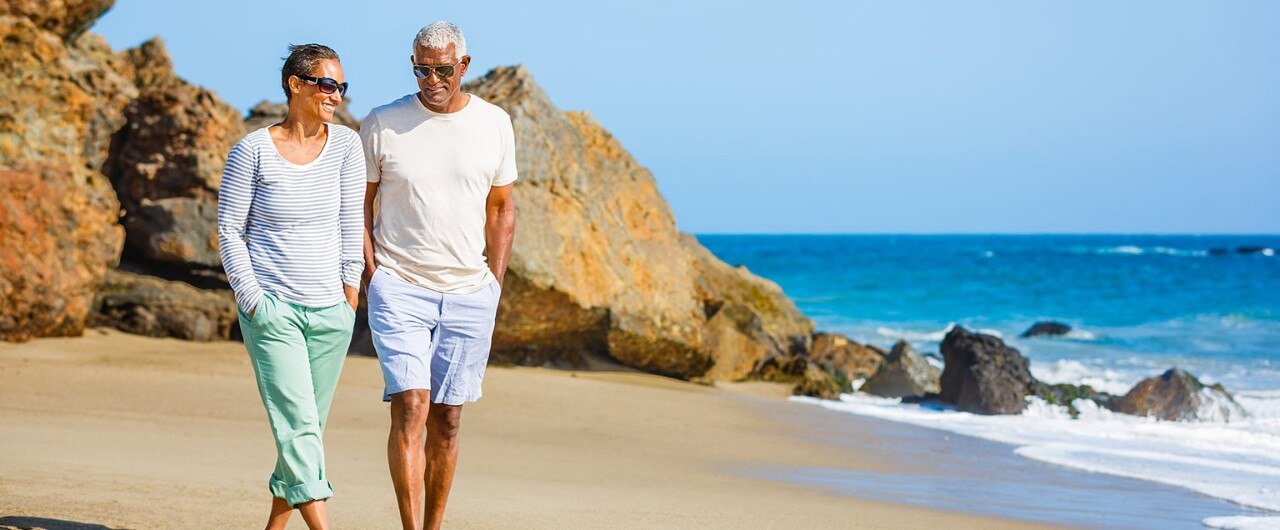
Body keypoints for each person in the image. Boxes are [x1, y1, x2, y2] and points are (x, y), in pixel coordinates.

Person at [360, 21, 518, 530]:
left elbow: (501, 208)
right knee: (411, 404)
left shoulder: (494, 123)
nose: (432, 79)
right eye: (422, 68)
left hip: (471, 291)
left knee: (447, 420)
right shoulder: (383, 123)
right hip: (400, 284)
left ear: (464, 66)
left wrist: (494, 283)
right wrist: (371, 271)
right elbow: (360, 205)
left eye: (442, 69)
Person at [216, 43, 365, 530]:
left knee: (304, 432)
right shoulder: (252, 151)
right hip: (274, 310)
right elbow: (229, 230)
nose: (335, 94)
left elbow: (350, 222)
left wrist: (350, 295)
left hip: (330, 314)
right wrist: (252, 299)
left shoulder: (346, 146)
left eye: (340, 86)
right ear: (295, 84)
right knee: (300, 428)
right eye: (326, 83)